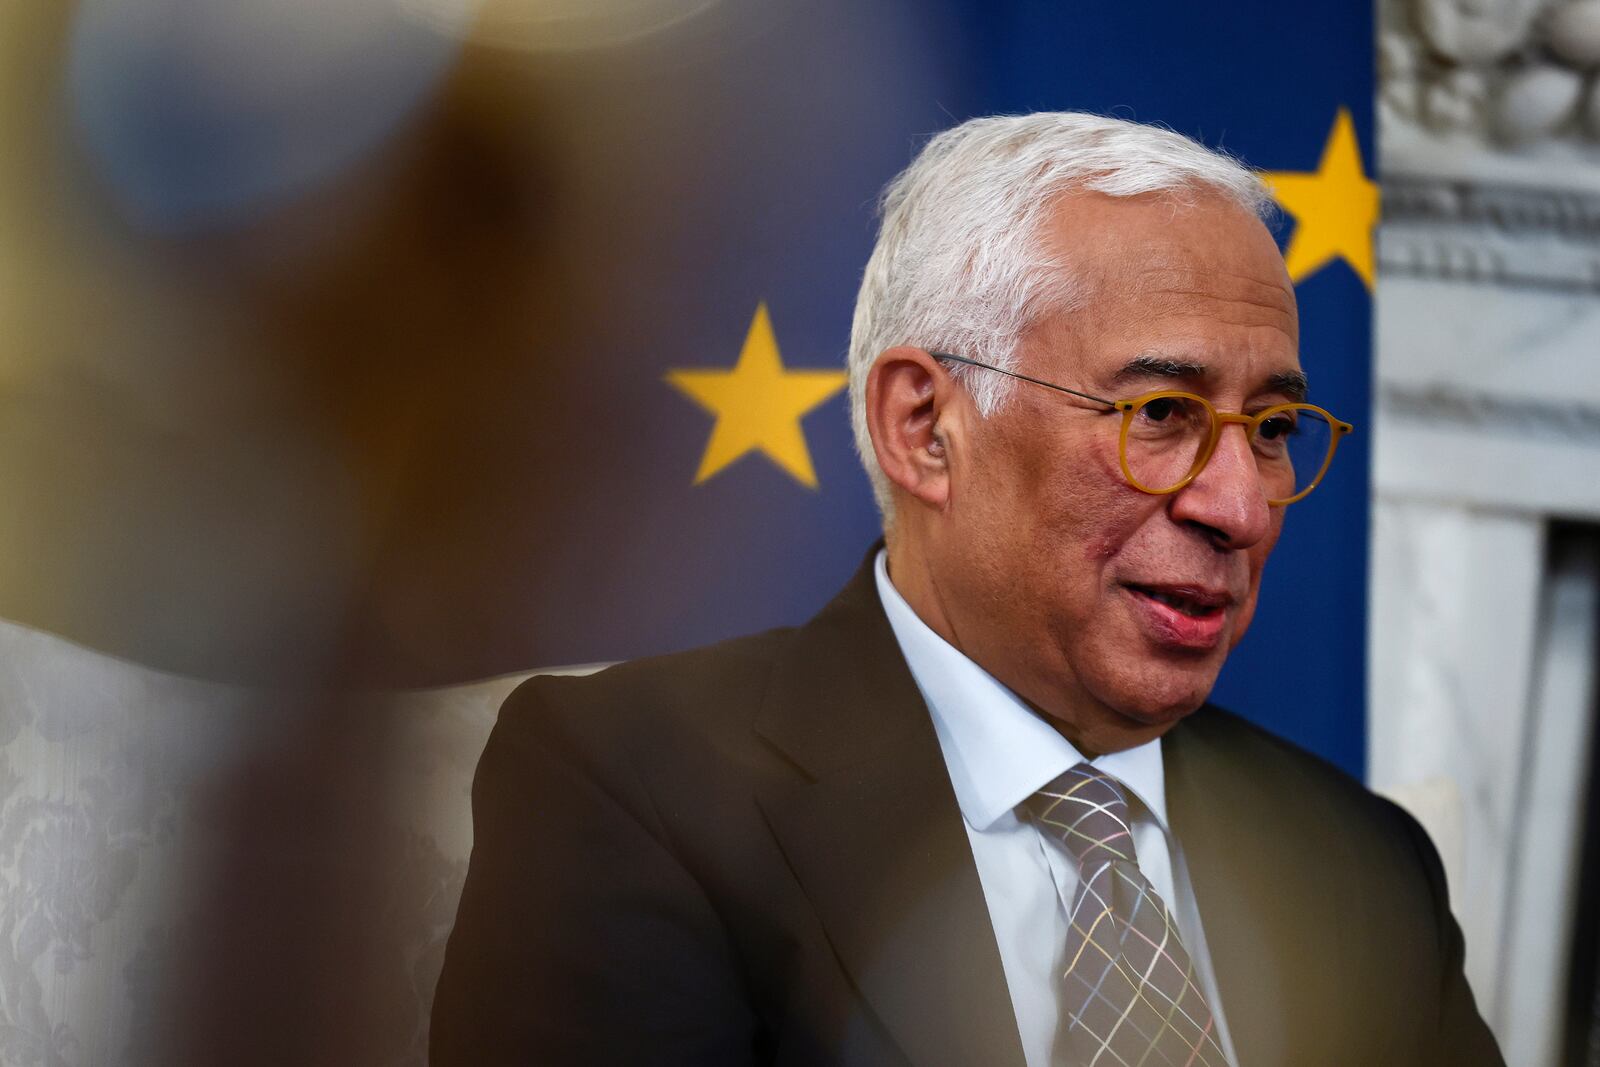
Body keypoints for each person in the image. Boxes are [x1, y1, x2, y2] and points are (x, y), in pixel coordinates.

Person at [430, 112, 1505, 1067]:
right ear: (924, 429)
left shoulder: (1361, 863)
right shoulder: (639, 787)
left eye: (1269, 431)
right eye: (1164, 414)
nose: (1241, 506)